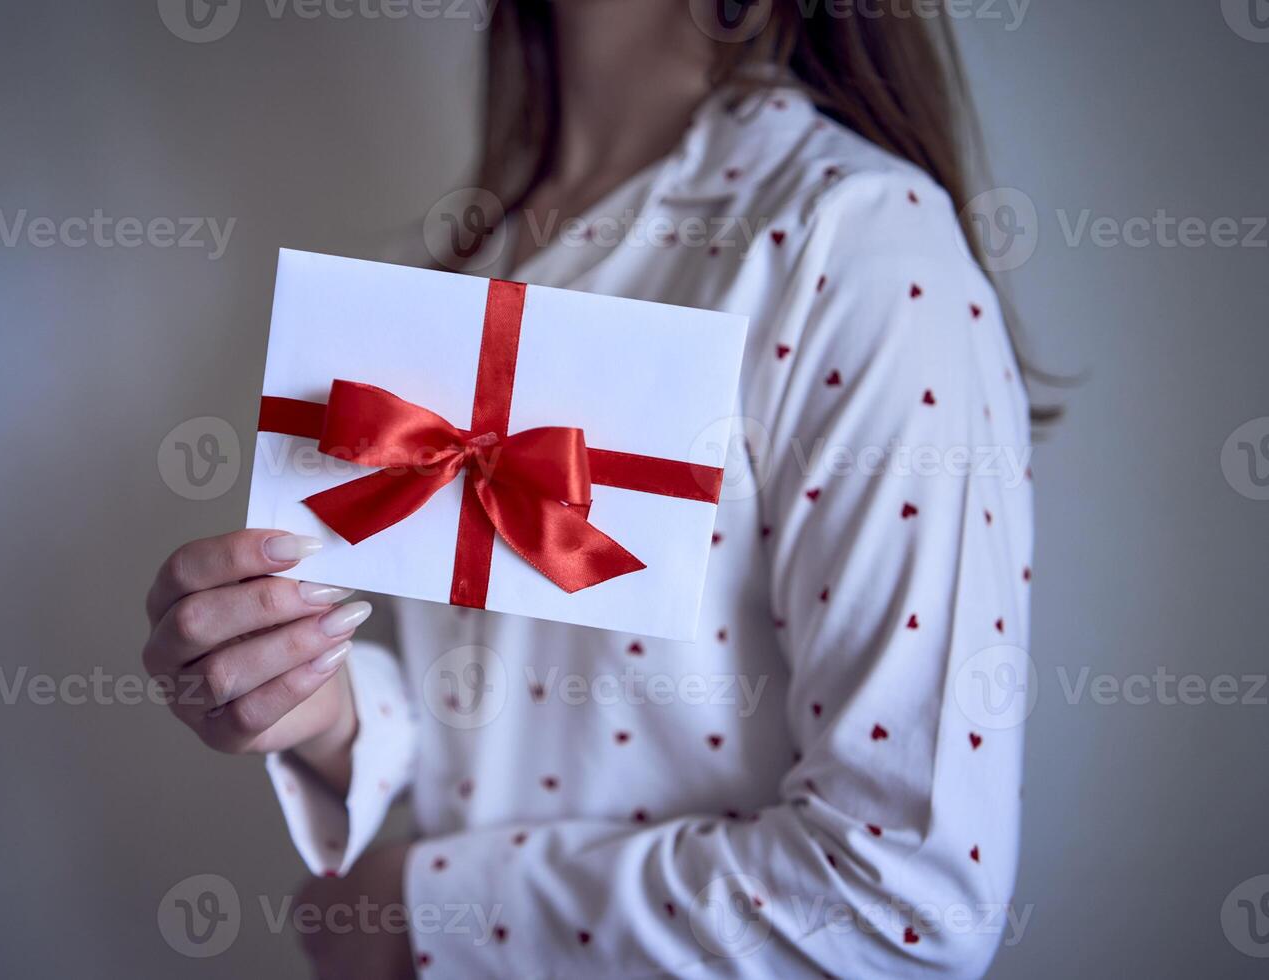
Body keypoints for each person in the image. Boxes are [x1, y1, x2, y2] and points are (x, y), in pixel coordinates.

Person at [141, 1, 1041, 975]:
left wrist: (420, 912)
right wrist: (325, 711)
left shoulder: (854, 240)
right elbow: (514, 727)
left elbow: (905, 899)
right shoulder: (481, 260)